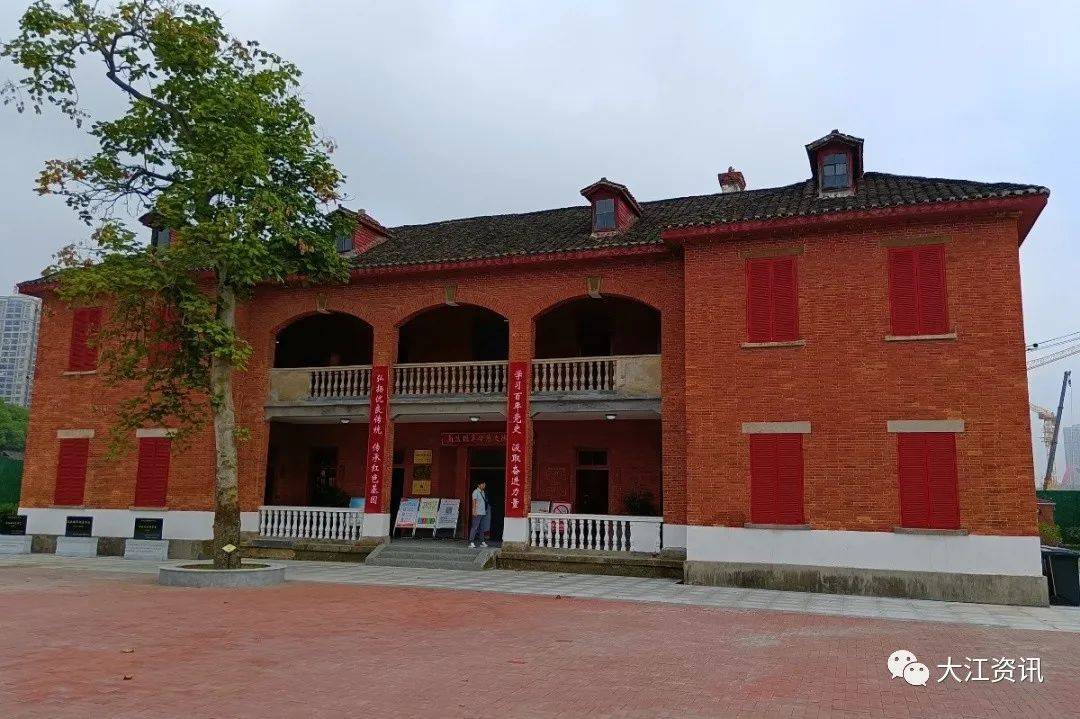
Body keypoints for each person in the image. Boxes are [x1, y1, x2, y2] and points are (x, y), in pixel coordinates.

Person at [469, 481, 490, 548]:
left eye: (484, 484)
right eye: (483, 484)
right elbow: (474, 502)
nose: (484, 486)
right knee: (475, 527)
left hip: (482, 512)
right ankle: (471, 542)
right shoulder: (475, 492)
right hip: (477, 512)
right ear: (479, 485)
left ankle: (482, 541)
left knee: (482, 528)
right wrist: (474, 511)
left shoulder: (483, 492)